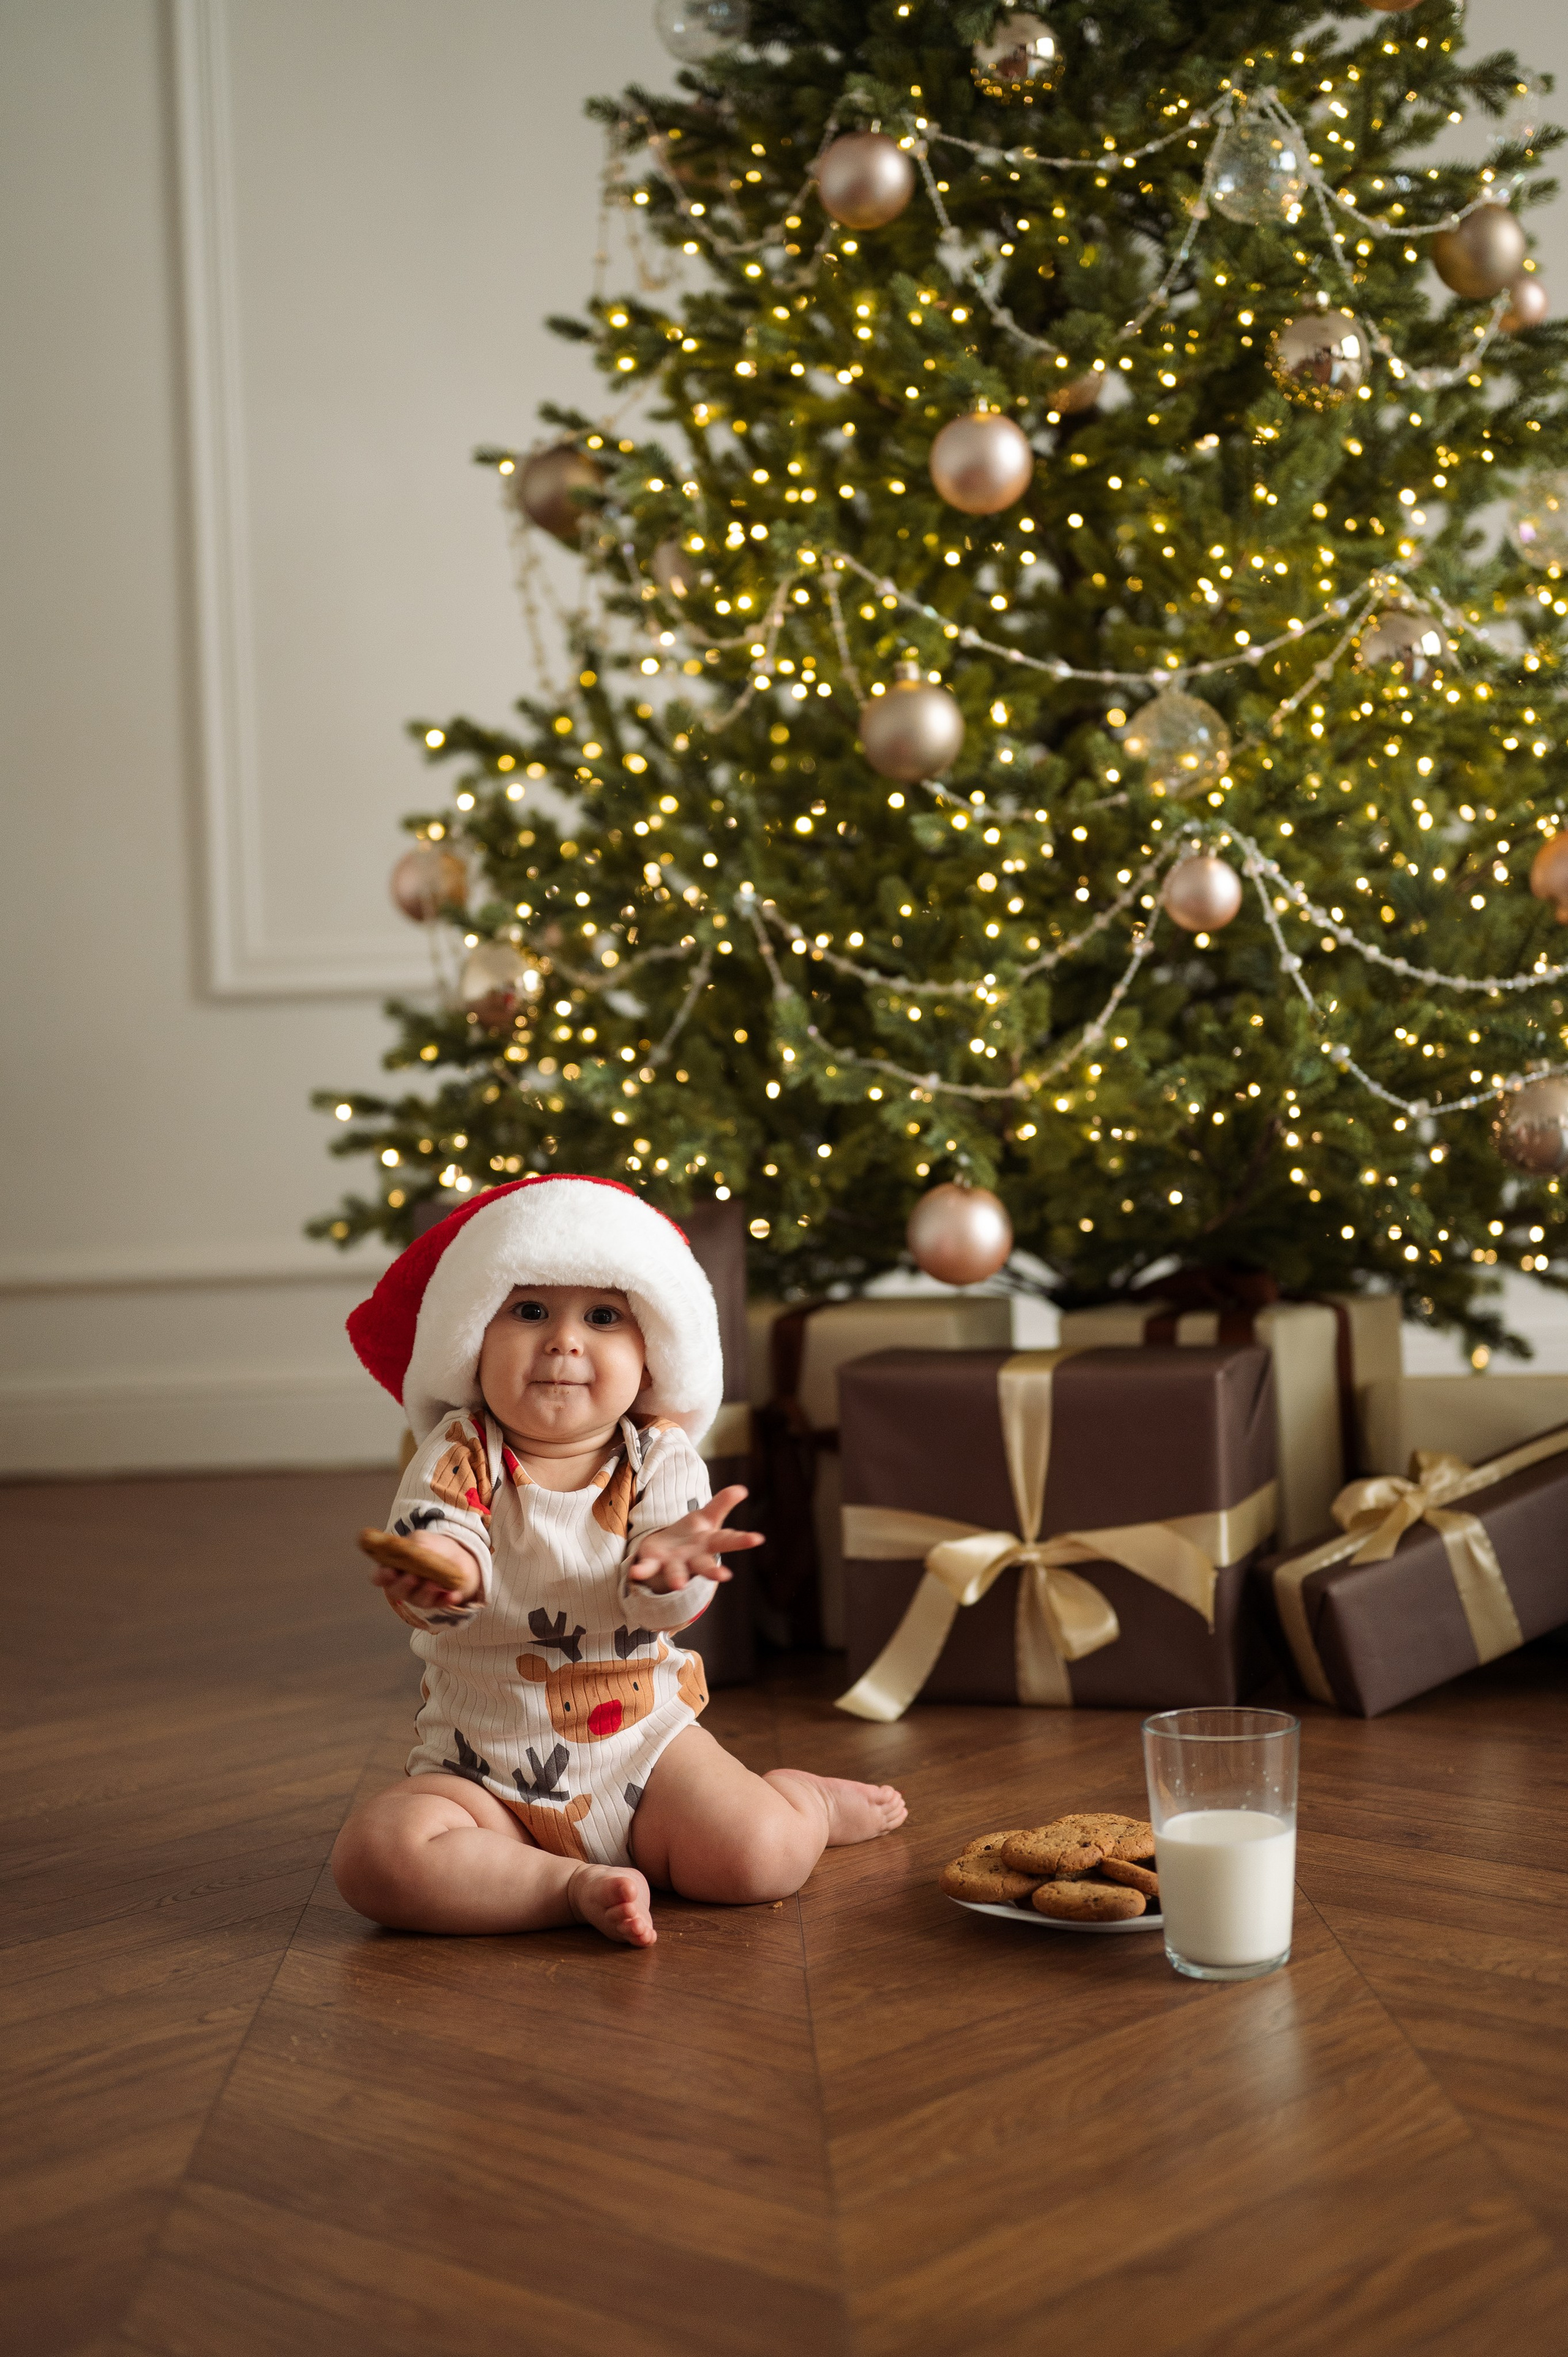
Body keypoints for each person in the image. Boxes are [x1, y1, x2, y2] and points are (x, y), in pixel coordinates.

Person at [331, 1174, 906, 1947]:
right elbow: (442, 1529)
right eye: (529, 1310)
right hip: (479, 1768)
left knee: (758, 1858)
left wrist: (671, 1564)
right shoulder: (461, 1447)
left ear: (651, 1352)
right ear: (473, 1338)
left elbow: (670, 1586)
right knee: (377, 1856)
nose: (564, 1340)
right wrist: (439, 1572)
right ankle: (568, 1887)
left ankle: (804, 1802)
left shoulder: (659, 1453)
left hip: (641, 1750)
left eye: (603, 1316)